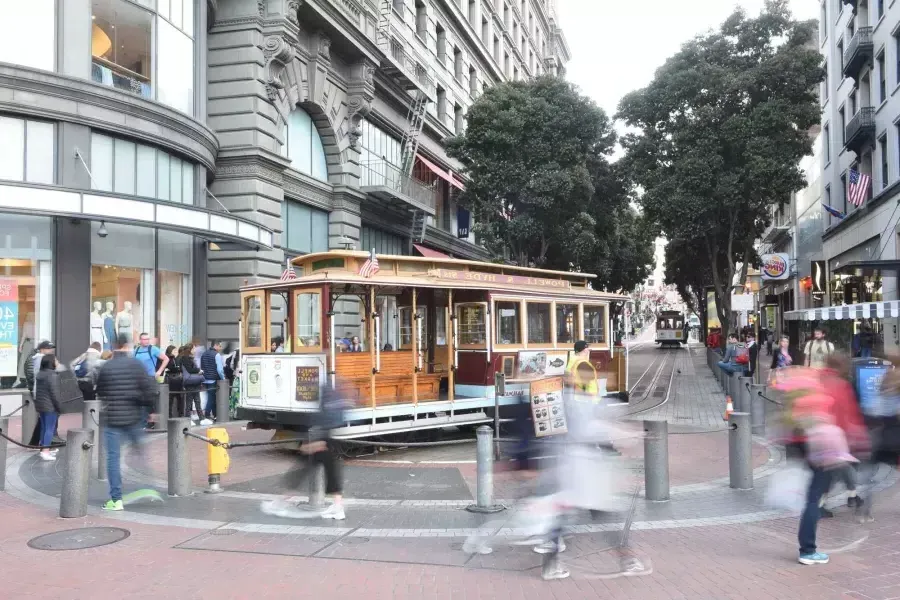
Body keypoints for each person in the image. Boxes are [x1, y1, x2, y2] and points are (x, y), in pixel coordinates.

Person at [262, 388, 347, 520]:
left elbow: (322, 420)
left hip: (320, 441)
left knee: (299, 473)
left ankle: (280, 502)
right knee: (331, 473)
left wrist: (312, 444)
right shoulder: (335, 395)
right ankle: (338, 507)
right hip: (327, 440)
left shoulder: (325, 396)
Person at [95, 334, 158, 511]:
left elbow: (100, 391)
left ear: (115, 345)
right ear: (128, 346)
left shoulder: (107, 366)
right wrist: (150, 410)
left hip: (113, 418)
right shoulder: (136, 364)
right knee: (139, 451)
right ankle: (147, 485)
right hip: (134, 417)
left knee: (113, 458)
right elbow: (149, 389)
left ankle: (116, 499)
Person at [33, 354, 62, 462]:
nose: (57, 361)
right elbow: (55, 394)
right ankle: (46, 451)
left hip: (41, 405)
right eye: (56, 359)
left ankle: (44, 448)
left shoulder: (40, 374)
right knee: (49, 429)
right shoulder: (52, 375)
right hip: (50, 406)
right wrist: (60, 407)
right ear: (51, 362)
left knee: (44, 428)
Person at [178, 344, 207, 424]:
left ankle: (201, 418)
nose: (195, 350)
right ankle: (188, 419)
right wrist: (198, 370)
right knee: (189, 401)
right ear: (190, 349)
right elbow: (190, 369)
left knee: (197, 400)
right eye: (194, 348)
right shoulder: (185, 358)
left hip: (194, 382)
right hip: (190, 382)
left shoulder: (189, 358)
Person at [201, 340, 225, 421]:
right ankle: (207, 414)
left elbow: (202, 367)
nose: (221, 348)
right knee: (211, 398)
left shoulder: (204, 354)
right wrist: (223, 378)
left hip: (205, 379)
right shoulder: (217, 355)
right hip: (213, 379)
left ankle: (215, 415)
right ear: (216, 345)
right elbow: (220, 370)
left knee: (211, 397)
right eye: (220, 346)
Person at [162, 345, 182, 418]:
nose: (176, 352)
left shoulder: (175, 358)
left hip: (175, 380)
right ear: (170, 351)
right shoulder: (167, 358)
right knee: (171, 398)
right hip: (171, 380)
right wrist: (177, 368)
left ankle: (178, 414)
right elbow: (170, 368)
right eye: (174, 350)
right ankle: (170, 414)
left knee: (177, 398)